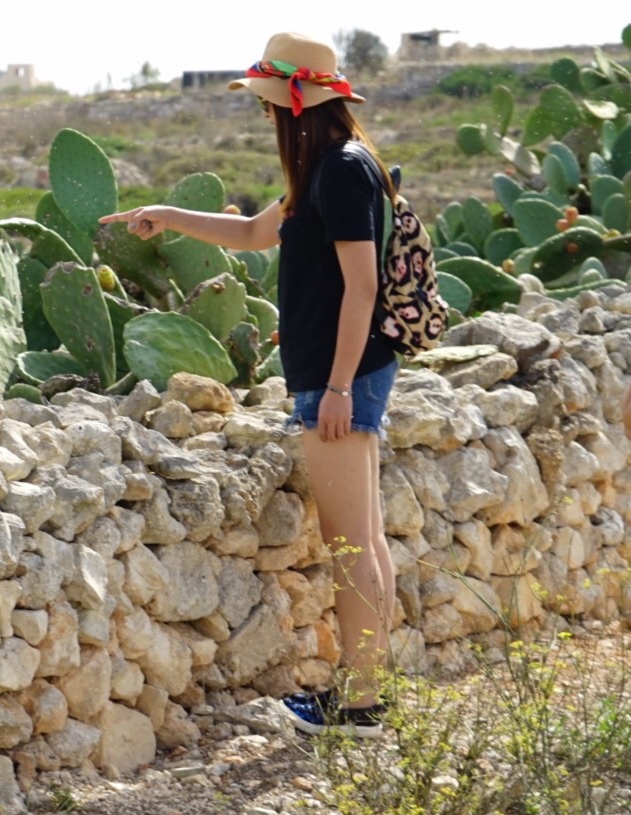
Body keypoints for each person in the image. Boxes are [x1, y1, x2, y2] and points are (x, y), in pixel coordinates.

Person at [100, 31, 397, 738]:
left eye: (268, 105)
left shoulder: (340, 171)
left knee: (352, 542)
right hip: (343, 371)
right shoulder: (330, 166)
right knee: (365, 538)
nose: (264, 116)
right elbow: (256, 234)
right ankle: (369, 695)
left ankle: (359, 704)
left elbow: (362, 287)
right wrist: (168, 215)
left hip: (341, 374)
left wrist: (337, 388)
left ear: (297, 106)